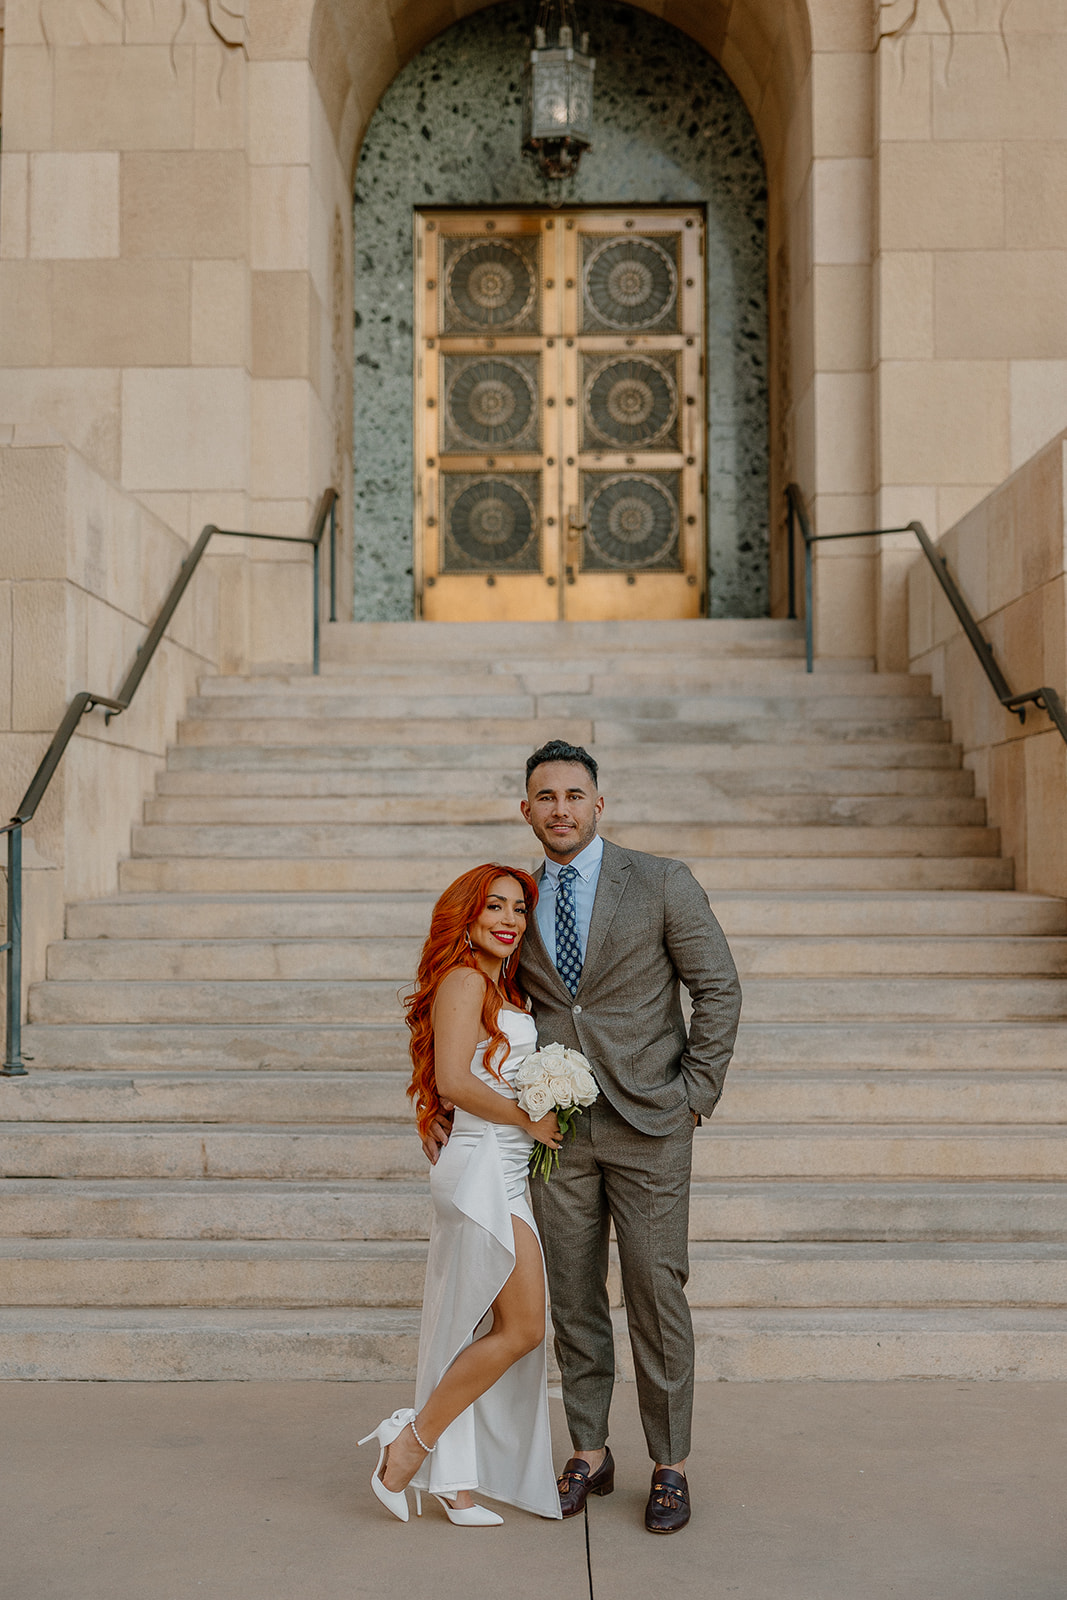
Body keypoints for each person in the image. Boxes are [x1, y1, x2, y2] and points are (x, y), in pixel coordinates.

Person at [424, 740, 742, 1534]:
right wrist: (440, 1097)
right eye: (544, 796)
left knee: (654, 1292)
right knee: (571, 1296)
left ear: (599, 805)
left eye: (573, 794)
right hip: (553, 1133)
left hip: (649, 1126)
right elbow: (472, 1000)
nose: (559, 808)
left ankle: (669, 1465)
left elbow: (717, 987)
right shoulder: (514, 899)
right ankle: (590, 1452)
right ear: (524, 810)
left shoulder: (661, 881)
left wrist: (693, 1096)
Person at [359, 864, 564, 1527]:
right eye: (493, 907)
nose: (508, 919)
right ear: (467, 918)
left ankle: (454, 1481)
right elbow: (453, 1079)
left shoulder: (497, 983)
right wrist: (528, 1118)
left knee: (481, 1328)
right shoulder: (464, 979)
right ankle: (409, 1447)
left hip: (499, 1166)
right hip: (481, 1166)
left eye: (517, 909)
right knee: (523, 1327)